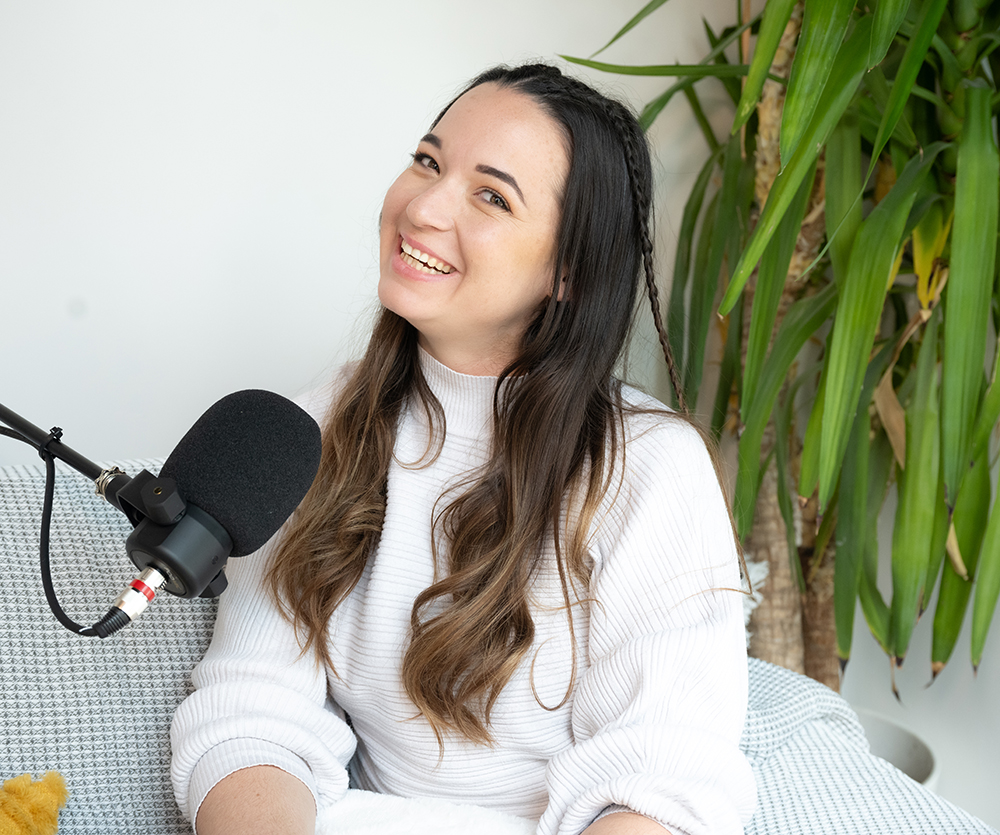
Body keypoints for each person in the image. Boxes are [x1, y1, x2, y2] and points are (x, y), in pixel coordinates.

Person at [170, 62, 757, 835]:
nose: (422, 207)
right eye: (427, 161)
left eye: (492, 196)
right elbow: (250, 715)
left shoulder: (650, 468)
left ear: (568, 272)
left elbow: (664, 786)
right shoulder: (310, 427)